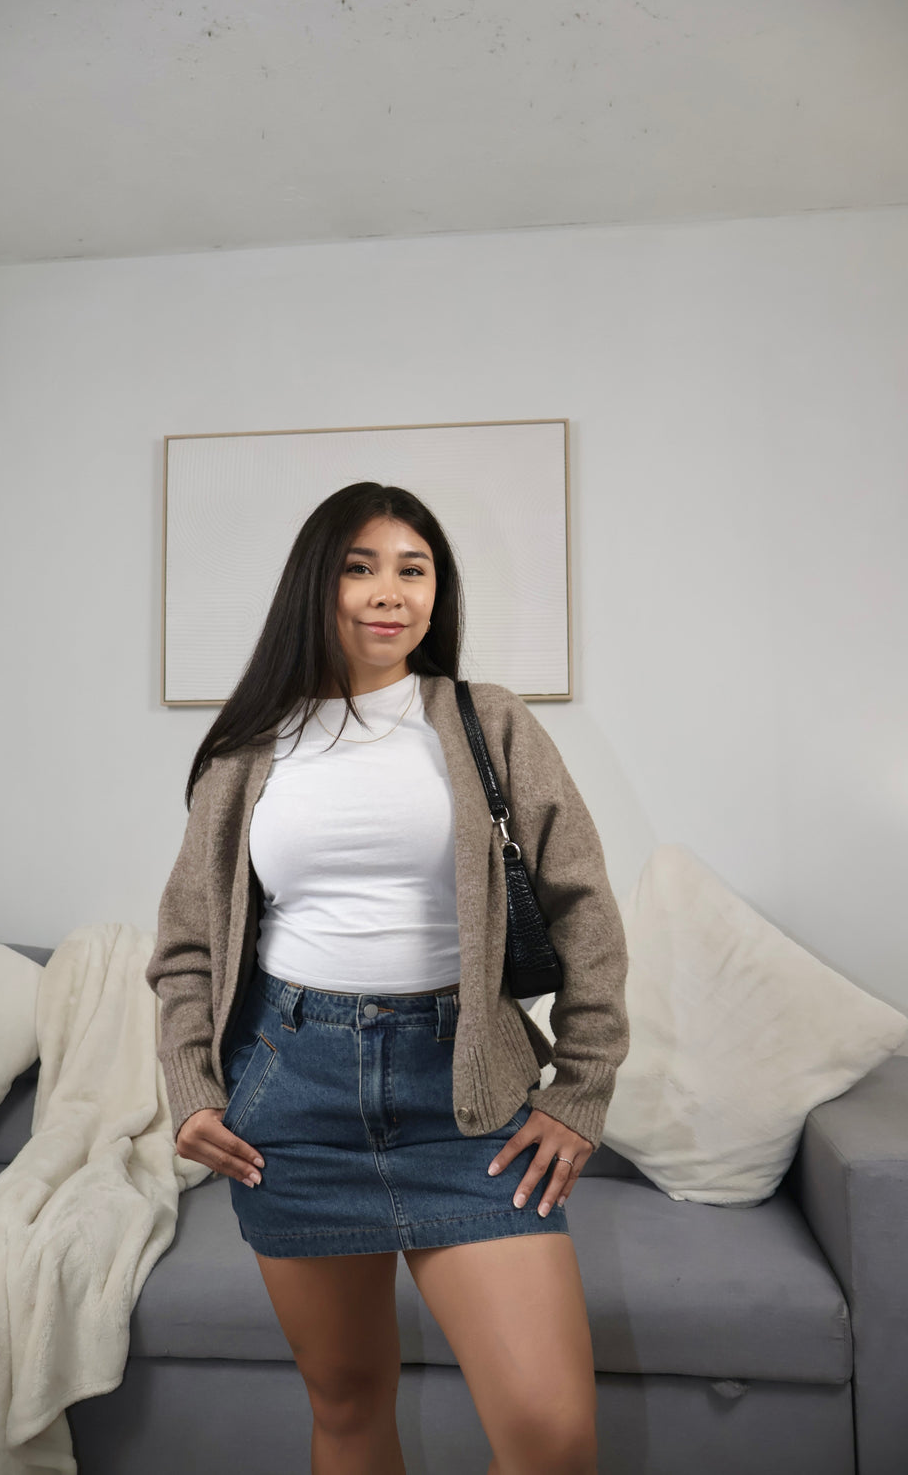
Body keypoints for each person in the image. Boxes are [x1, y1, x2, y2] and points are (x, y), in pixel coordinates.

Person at [145, 481, 629, 1475]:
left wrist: (580, 1090)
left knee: (551, 1436)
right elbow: (188, 941)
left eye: (413, 569)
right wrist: (191, 1085)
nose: (388, 591)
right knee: (349, 1406)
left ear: (436, 593)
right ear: (315, 587)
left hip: (466, 1096)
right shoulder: (246, 754)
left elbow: (584, 910)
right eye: (361, 567)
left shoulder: (486, 722)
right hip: (292, 1091)